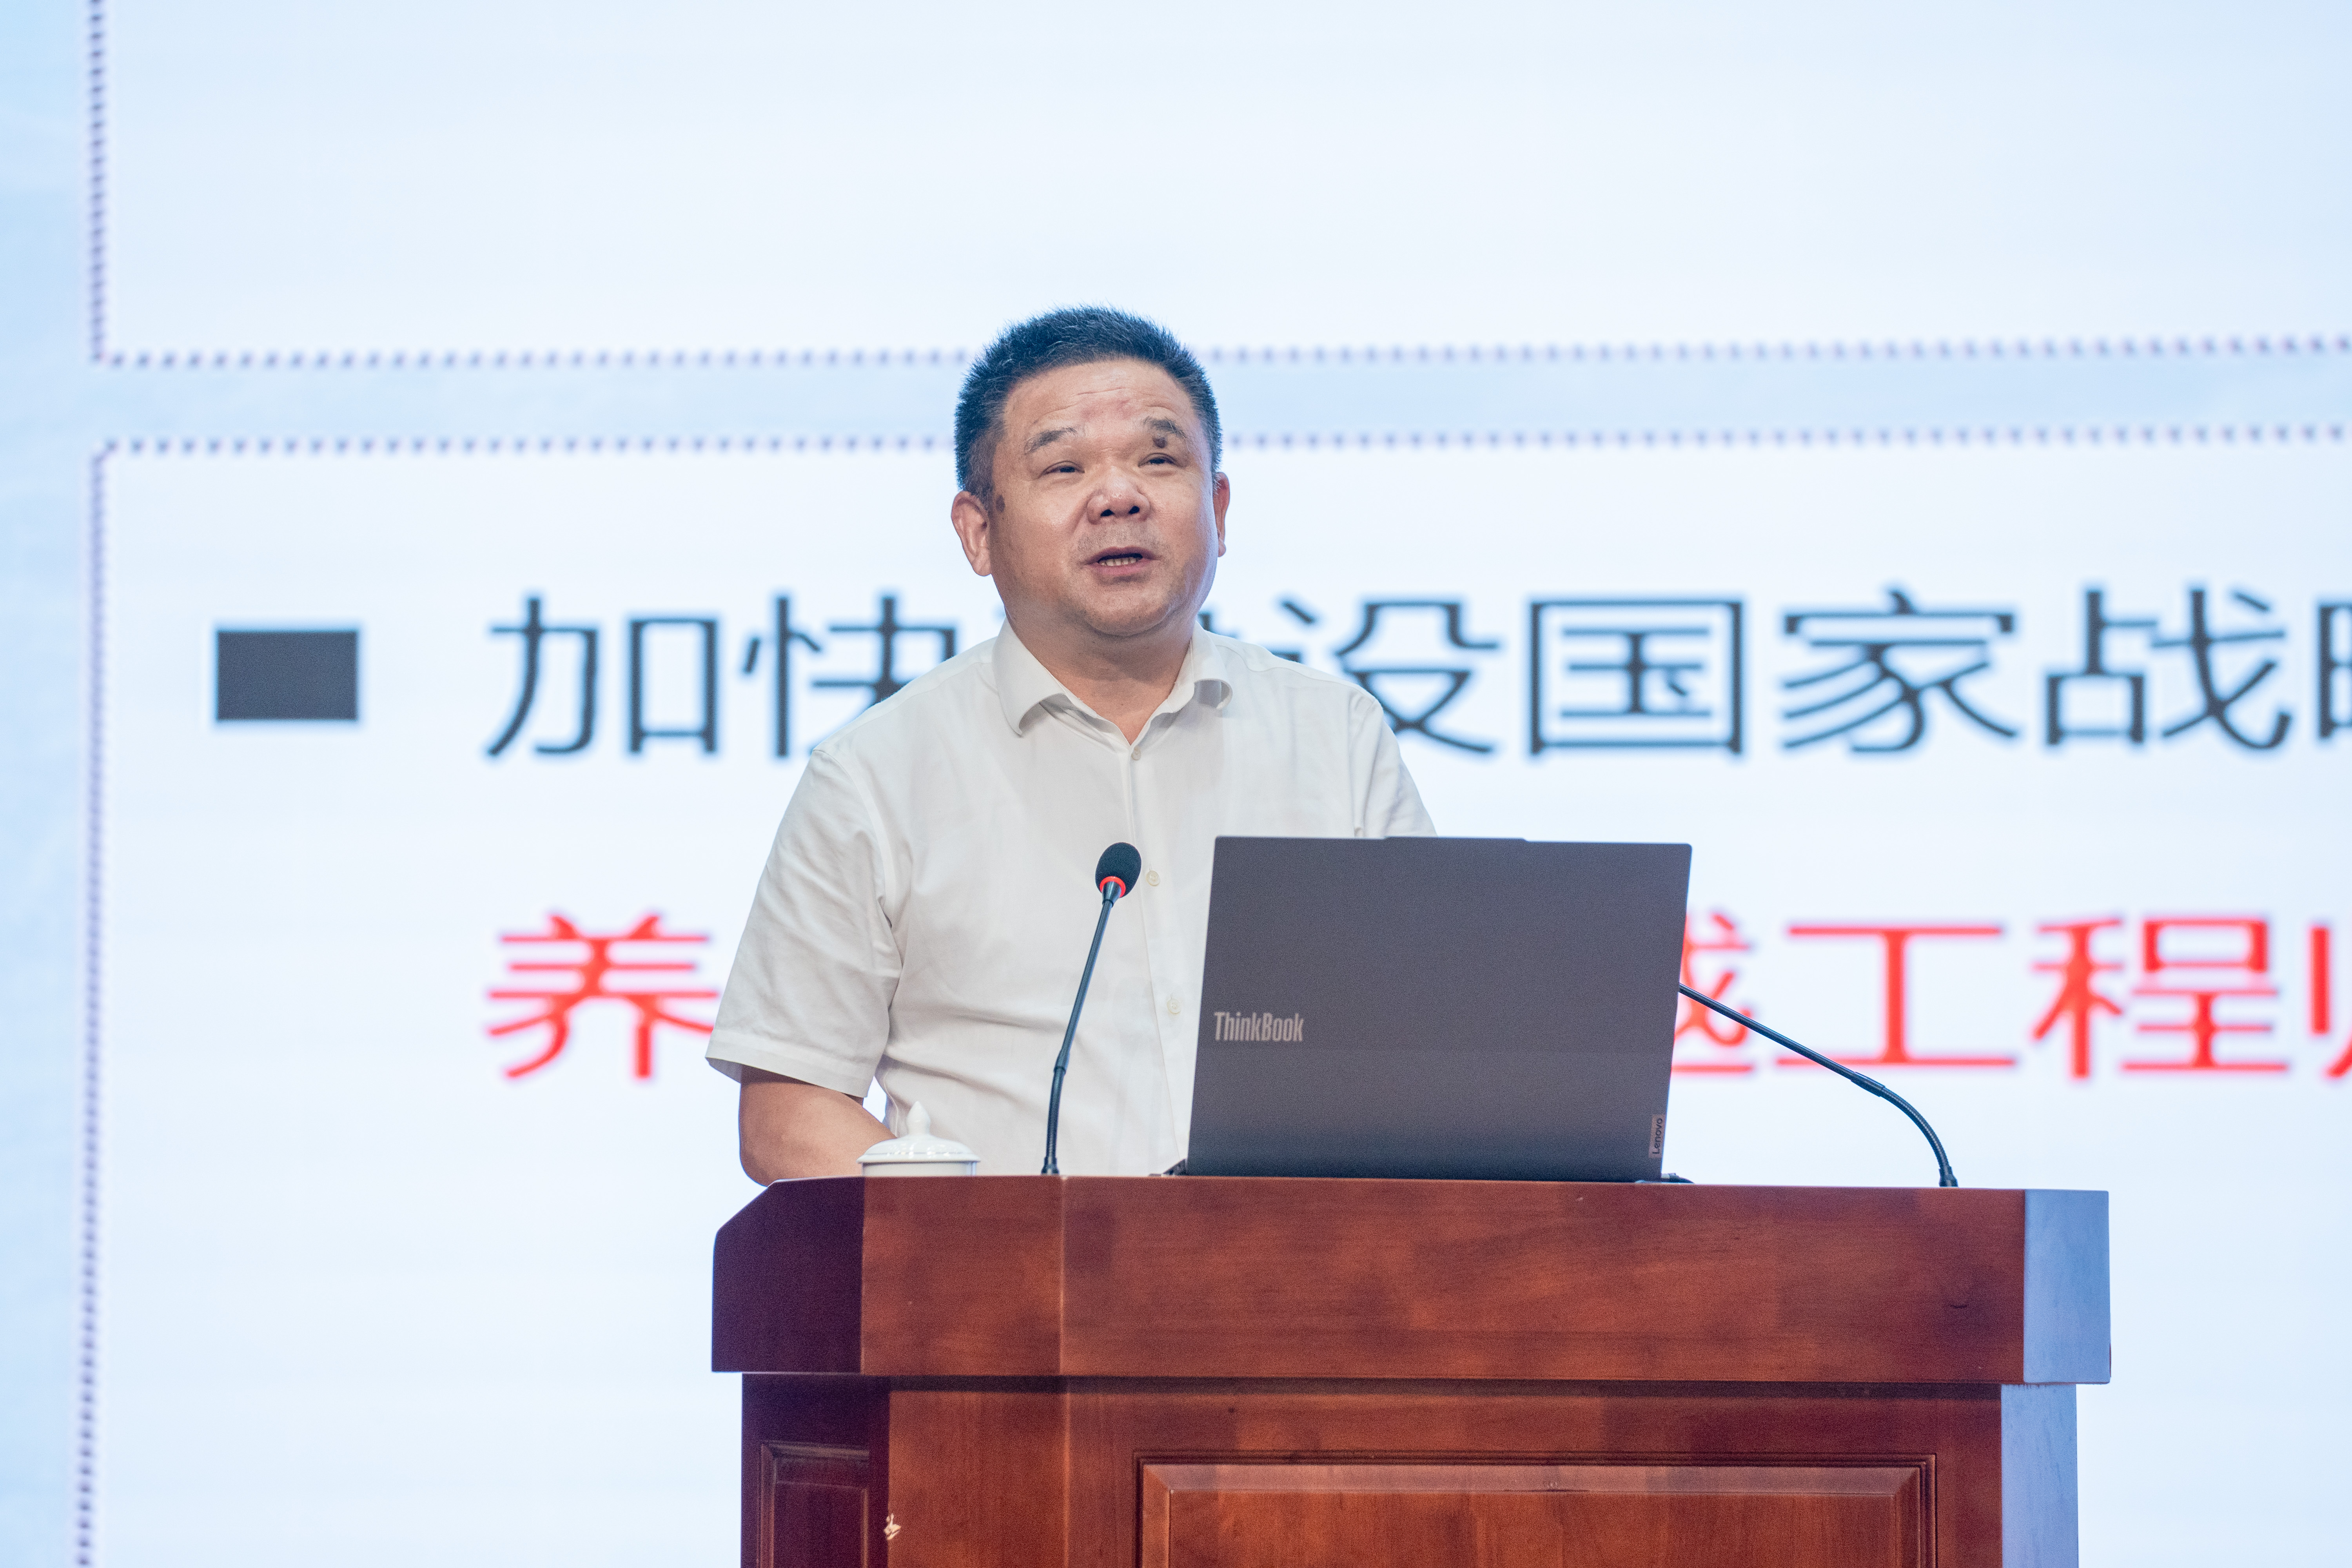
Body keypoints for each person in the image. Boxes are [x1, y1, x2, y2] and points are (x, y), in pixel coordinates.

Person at [706, 307, 1433, 1180]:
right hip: (1005, 1267)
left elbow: (1428, 1048)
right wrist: (983, 1235)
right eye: (1064, 466)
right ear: (978, 531)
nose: (1120, 495)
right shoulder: (876, 775)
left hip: (1293, 1260)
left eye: (1159, 459)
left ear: (1218, 508)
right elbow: (788, 1114)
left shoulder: (1336, 737)